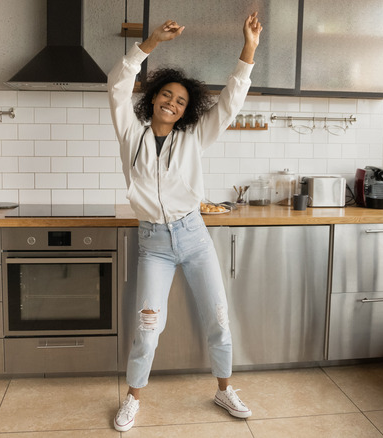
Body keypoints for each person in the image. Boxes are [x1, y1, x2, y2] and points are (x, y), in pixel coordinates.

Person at [107, 11, 263, 433]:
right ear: (153, 97)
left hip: (194, 237)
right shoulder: (131, 134)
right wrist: (151, 43)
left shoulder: (194, 138)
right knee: (147, 328)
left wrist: (248, 49)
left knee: (219, 319)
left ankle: (224, 389)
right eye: (167, 95)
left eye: (180, 101)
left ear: (185, 111)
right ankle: (133, 398)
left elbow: (230, 102)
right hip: (153, 243)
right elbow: (117, 83)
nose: (172, 103)